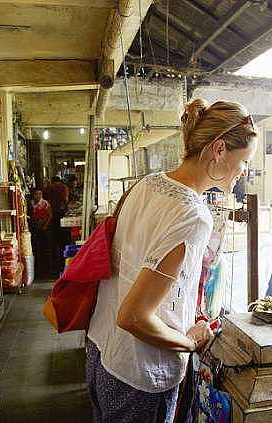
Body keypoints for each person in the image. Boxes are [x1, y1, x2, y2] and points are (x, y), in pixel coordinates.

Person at [86, 99, 258, 423]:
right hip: (138, 376)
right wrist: (189, 341)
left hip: (100, 353)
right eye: (244, 159)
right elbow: (134, 316)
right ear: (219, 149)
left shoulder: (146, 184)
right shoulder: (194, 216)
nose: (244, 170)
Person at [43, 176, 69, 275]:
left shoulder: (48, 188)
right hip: (60, 214)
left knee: (54, 242)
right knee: (63, 241)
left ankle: (54, 265)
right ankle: (63, 263)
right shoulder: (63, 187)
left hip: (50, 217)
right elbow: (65, 200)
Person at [31, 189, 52, 277]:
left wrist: (45, 226)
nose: (38, 195)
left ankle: (48, 269)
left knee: (46, 249)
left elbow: (50, 216)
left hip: (45, 229)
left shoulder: (45, 203)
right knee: (37, 249)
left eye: (40, 194)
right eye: (36, 194)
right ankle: (39, 269)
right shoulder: (31, 204)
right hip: (36, 229)